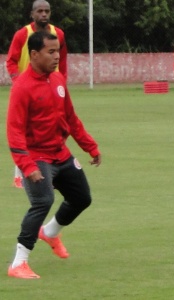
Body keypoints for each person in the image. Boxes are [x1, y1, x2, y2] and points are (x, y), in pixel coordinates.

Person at [6, 31, 101, 279]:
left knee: (82, 198)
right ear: (34, 54)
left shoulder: (58, 79)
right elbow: (14, 132)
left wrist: (90, 146)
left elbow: (70, 117)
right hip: (36, 157)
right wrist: (26, 166)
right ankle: (18, 263)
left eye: (57, 50)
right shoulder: (22, 88)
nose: (57, 56)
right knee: (42, 202)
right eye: (51, 52)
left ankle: (49, 232)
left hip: (61, 153)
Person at [6, 0, 68, 189]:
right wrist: (19, 83)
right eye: (40, 11)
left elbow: (63, 61)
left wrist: (62, 83)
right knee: (22, 132)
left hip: (50, 89)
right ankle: (20, 172)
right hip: (27, 91)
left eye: (47, 11)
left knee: (55, 127)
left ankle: (53, 170)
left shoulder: (58, 34)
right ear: (32, 14)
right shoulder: (23, 34)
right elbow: (11, 61)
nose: (44, 14)